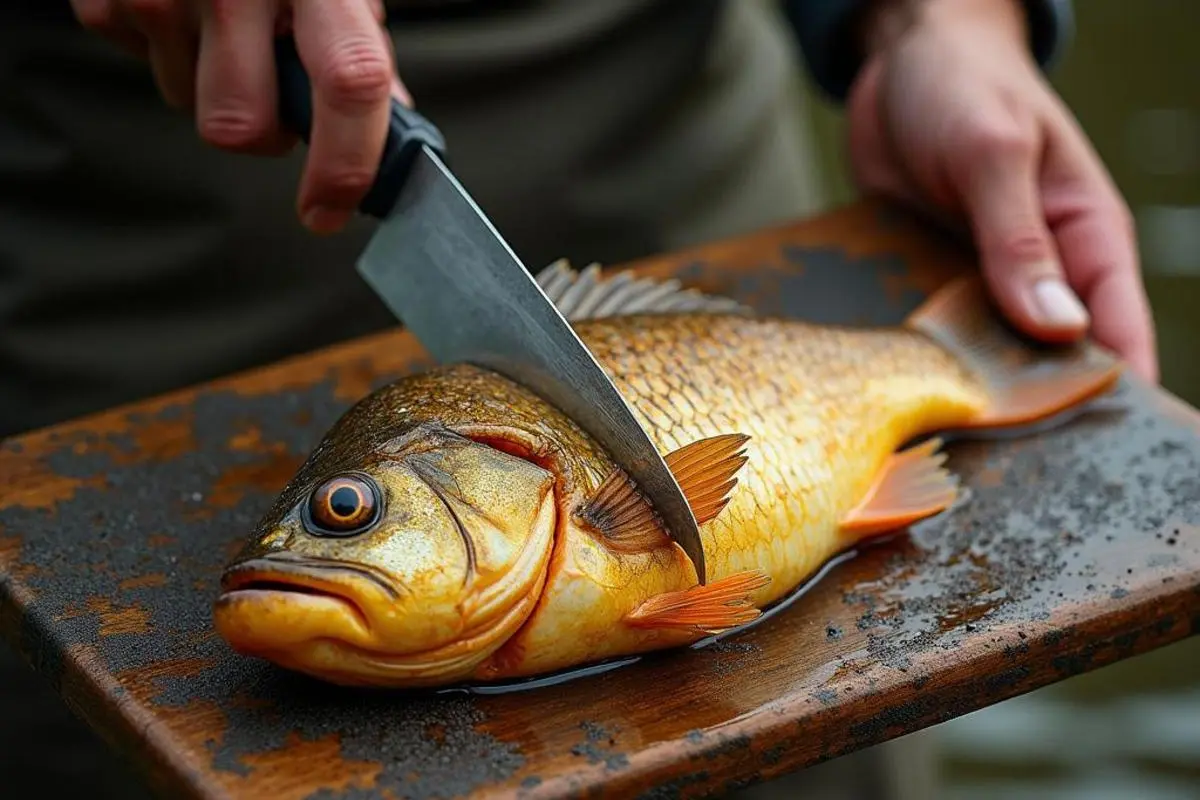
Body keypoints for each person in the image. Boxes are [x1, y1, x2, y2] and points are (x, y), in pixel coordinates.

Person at [0, 0, 1156, 797]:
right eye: (344, 511)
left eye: (347, 508)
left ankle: (939, 362)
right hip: (138, 240)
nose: (328, 531)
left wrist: (934, 19)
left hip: (675, 146)